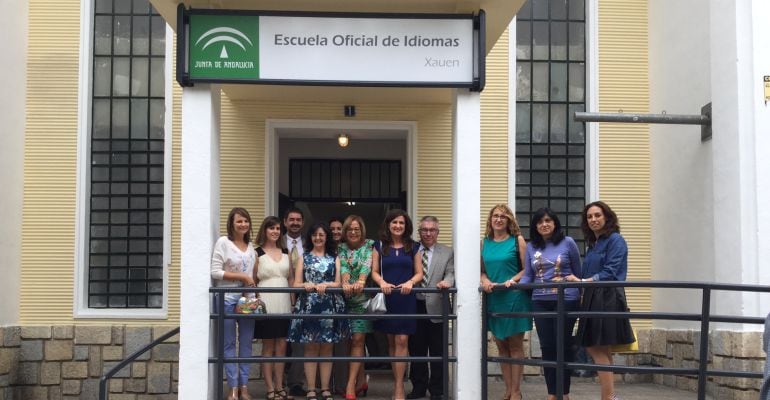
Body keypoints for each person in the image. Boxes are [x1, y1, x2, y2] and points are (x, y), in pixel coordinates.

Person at [568, 201, 634, 400]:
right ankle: (610, 396)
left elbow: (611, 271)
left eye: (597, 215)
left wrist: (582, 281)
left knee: (593, 346)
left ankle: (608, 397)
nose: (593, 220)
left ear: (607, 217)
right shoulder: (594, 244)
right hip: (592, 296)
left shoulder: (616, 240)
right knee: (601, 347)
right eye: (589, 217)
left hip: (607, 297)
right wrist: (582, 290)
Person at [520, 208, 582, 400]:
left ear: (555, 223)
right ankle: (551, 394)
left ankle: (564, 393)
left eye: (548, 220)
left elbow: (578, 272)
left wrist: (580, 294)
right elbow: (528, 275)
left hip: (566, 300)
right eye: (539, 222)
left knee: (562, 345)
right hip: (540, 300)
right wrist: (513, 285)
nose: (544, 224)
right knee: (547, 347)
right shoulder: (531, 246)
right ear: (535, 226)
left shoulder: (568, 242)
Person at [288, 222, 350, 400]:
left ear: (326, 237)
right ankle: (311, 388)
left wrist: (327, 284)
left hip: (330, 306)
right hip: (309, 306)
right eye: (315, 235)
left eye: (321, 235)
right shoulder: (304, 257)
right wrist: (306, 284)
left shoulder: (334, 257)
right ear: (310, 237)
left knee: (327, 348)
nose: (318, 238)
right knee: (310, 347)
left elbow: (339, 283)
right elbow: (296, 283)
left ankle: (325, 388)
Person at [480, 204, 532, 400]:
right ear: (490, 219)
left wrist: (513, 280)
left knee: (515, 345)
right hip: (494, 297)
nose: (499, 219)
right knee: (501, 345)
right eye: (495, 216)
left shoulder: (516, 240)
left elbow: (528, 269)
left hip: (514, 297)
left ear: (509, 220)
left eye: (503, 216)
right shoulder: (484, 243)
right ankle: (508, 390)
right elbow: (482, 270)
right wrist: (484, 280)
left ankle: (517, 391)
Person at [371, 209, 423, 400]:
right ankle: (396, 382)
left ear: (406, 225)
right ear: (388, 225)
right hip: (388, 297)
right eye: (394, 223)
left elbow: (419, 273)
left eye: (401, 223)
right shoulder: (379, 246)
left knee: (402, 340)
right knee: (391, 342)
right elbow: (374, 271)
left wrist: (411, 282)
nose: (398, 226)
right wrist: (382, 282)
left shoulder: (413, 246)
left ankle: (400, 387)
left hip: (406, 297)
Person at [210, 207, 258, 400]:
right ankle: (232, 388)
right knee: (229, 343)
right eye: (239, 221)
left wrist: (253, 297)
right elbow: (215, 272)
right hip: (226, 299)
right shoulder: (223, 242)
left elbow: (252, 278)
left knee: (246, 342)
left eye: (246, 221)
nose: (243, 224)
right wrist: (241, 277)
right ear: (232, 223)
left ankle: (244, 386)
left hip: (246, 300)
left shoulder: (251, 247)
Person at [407, 216, 455, 400]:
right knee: (416, 350)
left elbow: (451, 272)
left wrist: (447, 282)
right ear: (418, 232)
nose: (428, 233)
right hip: (414, 305)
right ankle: (418, 388)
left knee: (438, 351)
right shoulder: (410, 249)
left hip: (437, 305)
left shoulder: (447, 252)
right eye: (424, 230)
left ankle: (438, 390)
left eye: (432, 230)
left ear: (437, 232)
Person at [253, 216, 294, 400]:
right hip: (266, 303)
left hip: (284, 302)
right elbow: (253, 280)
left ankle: (280, 386)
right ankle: (269, 388)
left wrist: (293, 303)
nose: (275, 231)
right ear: (265, 230)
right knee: (268, 346)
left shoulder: (286, 252)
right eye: (271, 228)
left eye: (278, 228)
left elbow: (291, 279)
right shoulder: (257, 253)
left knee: (282, 345)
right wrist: (256, 303)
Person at [338, 215, 376, 400]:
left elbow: (367, 265)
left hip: (362, 301)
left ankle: (350, 386)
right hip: (344, 300)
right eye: (350, 229)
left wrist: (361, 280)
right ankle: (361, 381)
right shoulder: (341, 247)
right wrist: (345, 282)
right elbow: (343, 266)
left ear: (362, 231)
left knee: (358, 340)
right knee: (348, 342)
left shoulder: (369, 245)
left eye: (357, 229)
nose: (353, 232)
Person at [281, 207, 308, 397]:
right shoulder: (275, 240)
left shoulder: (310, 242)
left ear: (303, 223)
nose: (295, 223)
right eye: (291, 219)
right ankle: (276, 382)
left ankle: (295, 382)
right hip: (280, 297)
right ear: (285, 222)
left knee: (300, 343)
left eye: (298, 220)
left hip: (305, 297)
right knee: (278, 342)